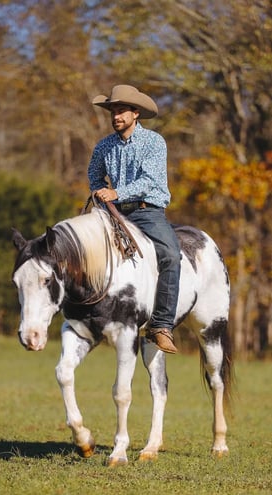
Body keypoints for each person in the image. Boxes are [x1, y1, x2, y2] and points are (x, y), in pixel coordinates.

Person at [88, 84, 181, 354]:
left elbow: (149, 181)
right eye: (113, 112)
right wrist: (98, 190)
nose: (115, 117)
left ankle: (162, 325)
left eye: (121, 111)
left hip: (146, 211)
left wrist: (116, 191)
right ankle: (89, 314)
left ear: (135, 113)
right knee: (83, 247)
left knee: (171, 255)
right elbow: (94, 173)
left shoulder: (154, 142)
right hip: (113, 211)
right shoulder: (103, 146)